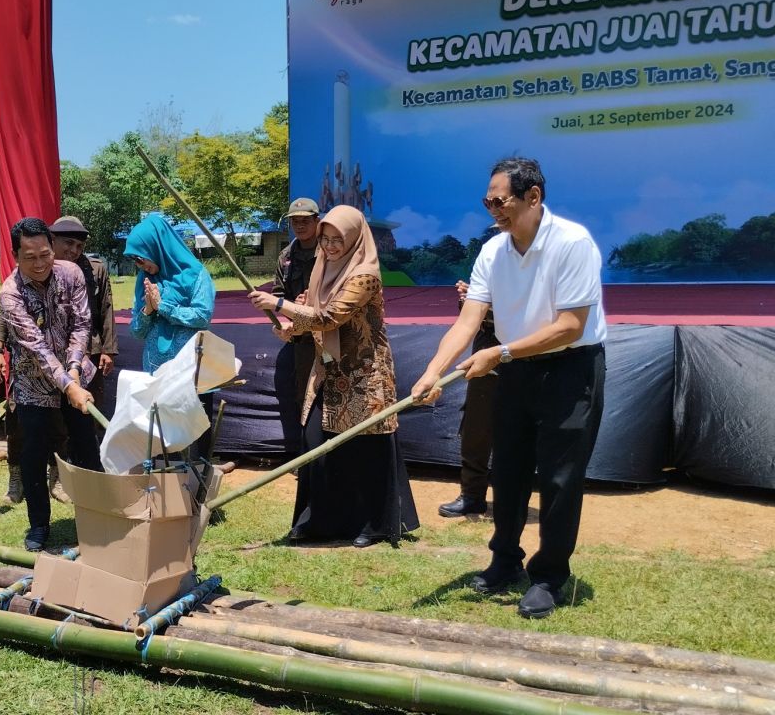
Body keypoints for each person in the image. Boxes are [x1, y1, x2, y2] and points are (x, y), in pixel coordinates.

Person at [411, 157, 606, 619]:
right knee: (510, 470)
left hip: (570, 369)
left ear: (533, 196)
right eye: (487, 201)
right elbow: (468, 320)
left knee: (559, 479)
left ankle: (550, 577)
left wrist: (499, 354)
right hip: (516, 370)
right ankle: (504, 560)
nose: (493, 210)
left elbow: (570, 328)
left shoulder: (573, 243)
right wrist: (433, 371)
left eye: (500, 201)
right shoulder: (492, 251)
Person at [250, 205, 418, 549]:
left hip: (363, 375)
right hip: (327, 369)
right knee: (316, 444)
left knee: (364, 448)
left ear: (355, 238)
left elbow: (328, 317)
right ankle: (320, 522)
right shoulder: (321, 270)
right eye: (325, 239)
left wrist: (279, 304)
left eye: (337, 239)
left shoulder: (365, 275)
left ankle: (376, 524)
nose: (329, 246)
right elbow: (310, 316)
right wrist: (290, 329)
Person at [0, 215, 118, 506]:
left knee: (83, 440)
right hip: (33, 376)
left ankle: (86, 501)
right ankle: (32, 510)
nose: (39, 263)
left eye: (45, 255)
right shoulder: (12, 291)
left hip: (77, 365)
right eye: (30, 257)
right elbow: (33, 345)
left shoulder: (78, 271)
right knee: (29, 439)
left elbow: (90, 320)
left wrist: (74, 369)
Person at [123, 213, 216, 460]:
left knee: (194, 441)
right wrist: (148, 310)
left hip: (192, 372)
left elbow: (202, 316)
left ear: (158, 246)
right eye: (137, 263)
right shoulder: (145, 279)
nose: (141, 268)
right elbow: (137, 331)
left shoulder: (195, 274)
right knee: (161, 441)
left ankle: (196, 495)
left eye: (142, 260)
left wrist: (164, 307)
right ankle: (164, 494)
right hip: (157, 372)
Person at [437, 280, 497, 518]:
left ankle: (512, 496)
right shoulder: (492, 255)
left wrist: (489, 303)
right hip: (486, 343)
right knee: (476, 425)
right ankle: (472, 495)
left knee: (516, 427)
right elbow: (469, 319)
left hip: (521, 350)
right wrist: (469, 299)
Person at [271, 197, 320, 456]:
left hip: (332, 333)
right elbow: (278, 295)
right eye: (294, 221)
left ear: (317, 221)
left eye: (305, 220)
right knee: (305, 397)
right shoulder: (286, 256)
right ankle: (309, 457)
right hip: (301, 339)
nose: (299, 226)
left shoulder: (329, 250)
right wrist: (285, 321)